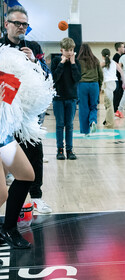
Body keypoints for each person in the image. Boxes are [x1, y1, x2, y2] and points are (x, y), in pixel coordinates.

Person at [0, 6, 53, 224]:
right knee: (6, 178)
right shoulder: (1, 47)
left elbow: (47, 78)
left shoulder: (32, 47)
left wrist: (34, 62)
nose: (22, 28)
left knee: (34, 156)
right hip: (4, 122)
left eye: (25, 24)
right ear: (6, 24)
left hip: (27, 120)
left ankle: (37, 197)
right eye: (17, 23)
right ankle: (8, 224)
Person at [0, 84, 35, 249]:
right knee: (1, 194)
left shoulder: (8, 65)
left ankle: (8, 229)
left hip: (3, 131)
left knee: (25, 175)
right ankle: (8, 229)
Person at [51, 37, 81, 160]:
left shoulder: (76, 62)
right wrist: (62, 63)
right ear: (61, 50)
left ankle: (69, 150)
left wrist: (73, 64)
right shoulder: (56, 61)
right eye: (67, 50)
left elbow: (77, 78)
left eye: (71, 50)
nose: (69, 52)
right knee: (59, 125)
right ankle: (60, 150)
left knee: (69, 125)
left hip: (71, 98)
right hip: (58, 98)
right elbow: (54, 78)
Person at [77, 43, 103, 135]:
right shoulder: (95, 60)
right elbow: (101, 75)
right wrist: (99, 86)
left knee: (83, 108)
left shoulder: (78, 61)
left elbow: (76, 75)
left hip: (82, 84)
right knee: (93, 106)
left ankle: (85, 131)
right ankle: (92, 121)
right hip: (94, 85)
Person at [101, 48, 125, 128]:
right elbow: (121, 72)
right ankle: (107, 119)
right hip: (116, 83)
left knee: (109, 105)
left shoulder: (103, 63)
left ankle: (109, 123)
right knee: (110, 104)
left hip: (108, 84)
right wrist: (124, 82)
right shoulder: (114, 62)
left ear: (102, 56)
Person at [113, 42, 125, 113]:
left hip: (119, 78)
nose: (124, 48)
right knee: (117, 94)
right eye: (123, 47)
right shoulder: (116, 57)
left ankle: (117, 108)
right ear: (118, 48)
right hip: (117, 78)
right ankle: (115, 109)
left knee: (120, 94)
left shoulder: (121, 56)